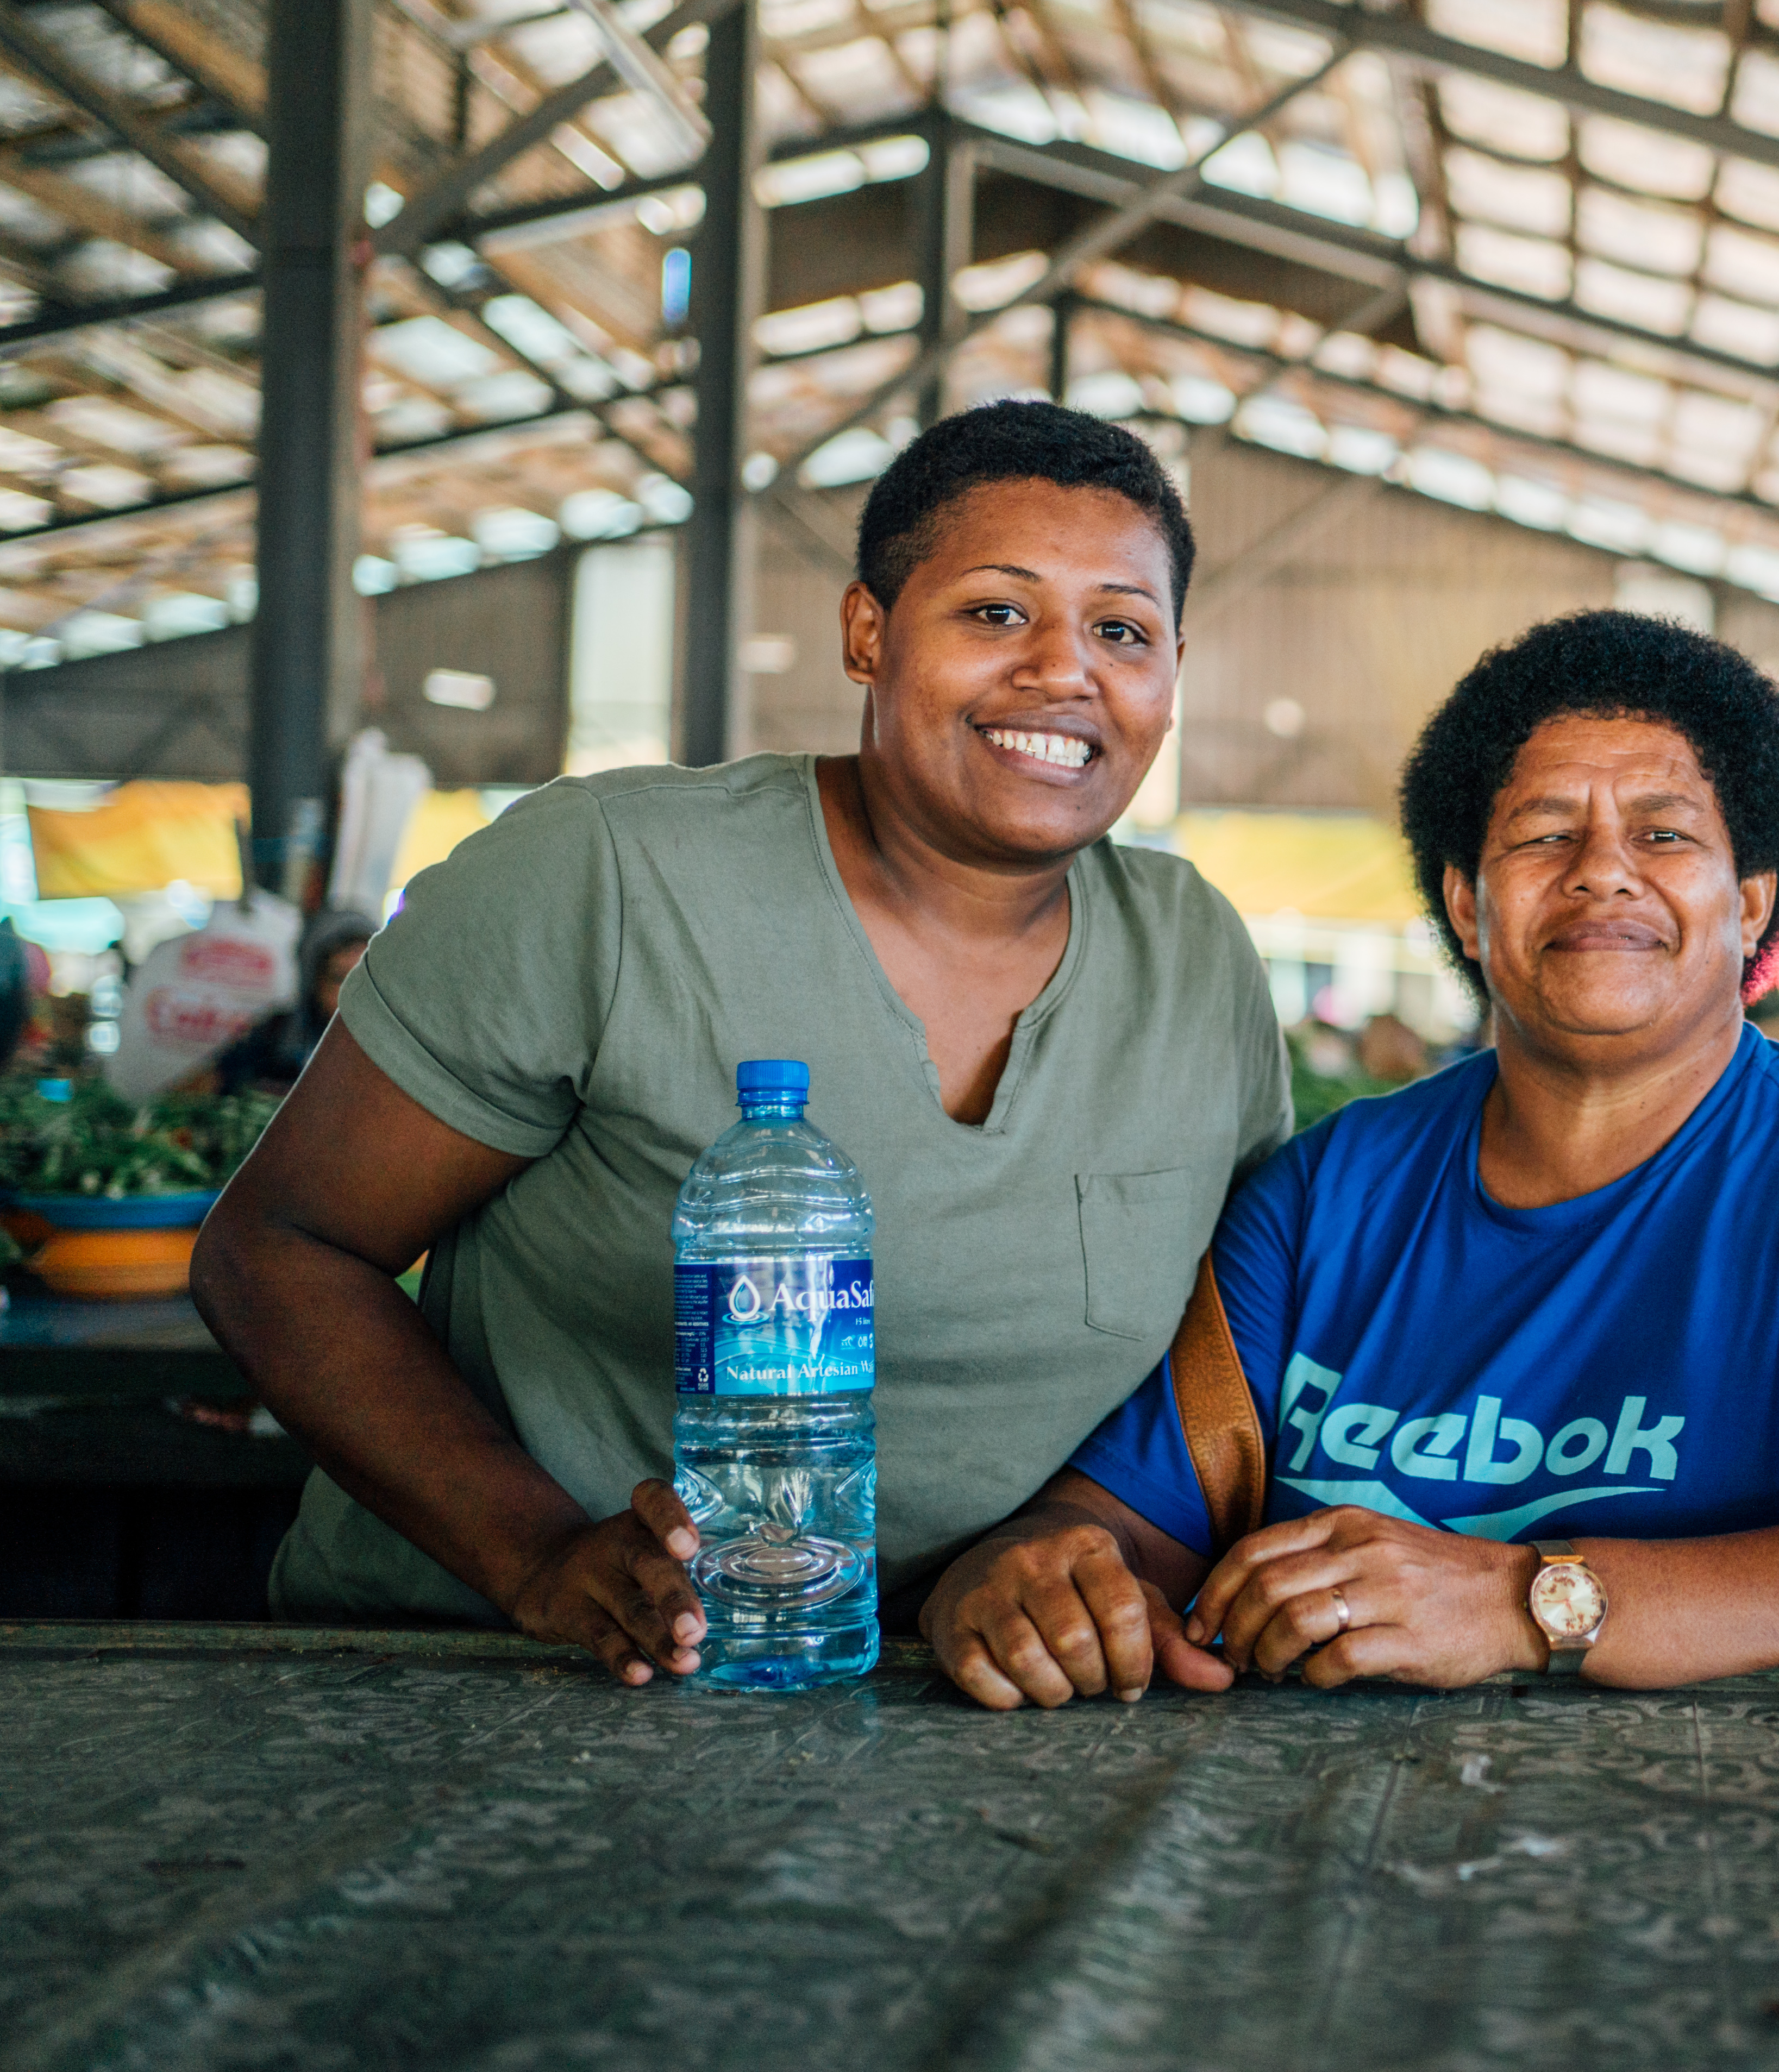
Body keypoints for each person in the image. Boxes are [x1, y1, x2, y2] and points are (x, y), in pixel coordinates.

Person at [193, 404, 1289, 1684]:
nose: (1065, 670)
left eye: (1123, 629)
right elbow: (278, 1248)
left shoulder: (1196, 961)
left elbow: (1234, 1355)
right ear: (867, 632)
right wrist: (538, 1552)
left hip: (947, 1711)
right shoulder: (605, 879)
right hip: (476, 1677)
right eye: (997, 612)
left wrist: (1065, 1542)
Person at [922, 611, 1779, 1707]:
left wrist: (1529, 1600)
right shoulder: (1329, 1193)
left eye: (1665, 833)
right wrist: (1022, 1576)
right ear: (1469, 908)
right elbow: (1125, 1524)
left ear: (1750, 902)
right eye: (1545, 833)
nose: (1603, 870)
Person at [212, 909, 374, 1092]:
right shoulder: (273, 1037)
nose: (352, 993)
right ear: (312, 979)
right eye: (339, 978)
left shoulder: (385, 1054)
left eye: (365, 980)